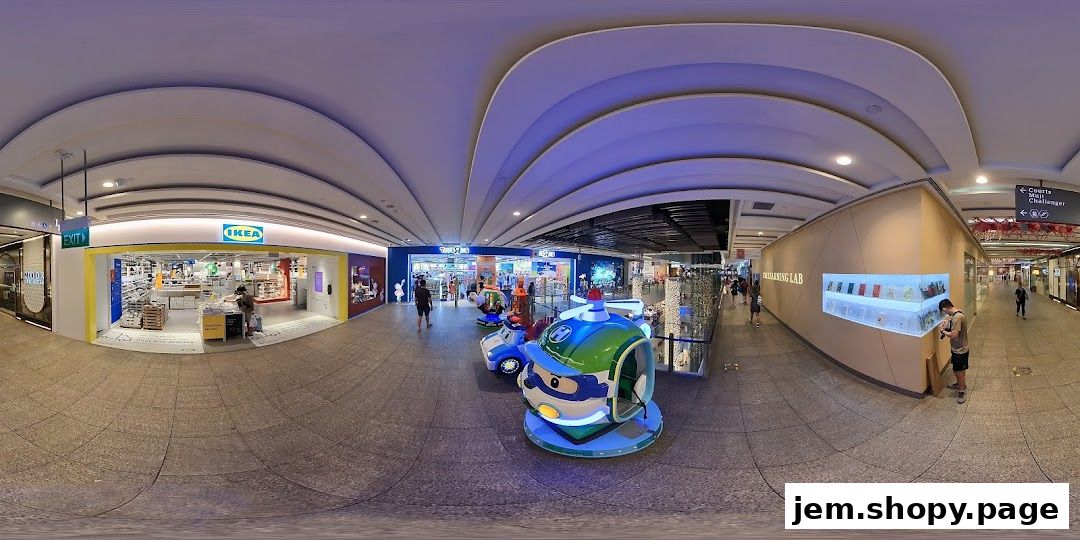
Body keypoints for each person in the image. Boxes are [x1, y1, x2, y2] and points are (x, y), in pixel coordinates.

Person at [938, 298, 969, 404]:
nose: (944, 313)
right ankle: (960, 384)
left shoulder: (957, 318)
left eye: (943, 311)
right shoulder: (958, 313)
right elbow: (956, 326)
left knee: (959, 372)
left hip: (960, 350)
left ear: (945, 308)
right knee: (958, 370)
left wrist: (942, 331)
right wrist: (948, 323)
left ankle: (961, 391)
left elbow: (954, 336)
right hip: (959, 349)